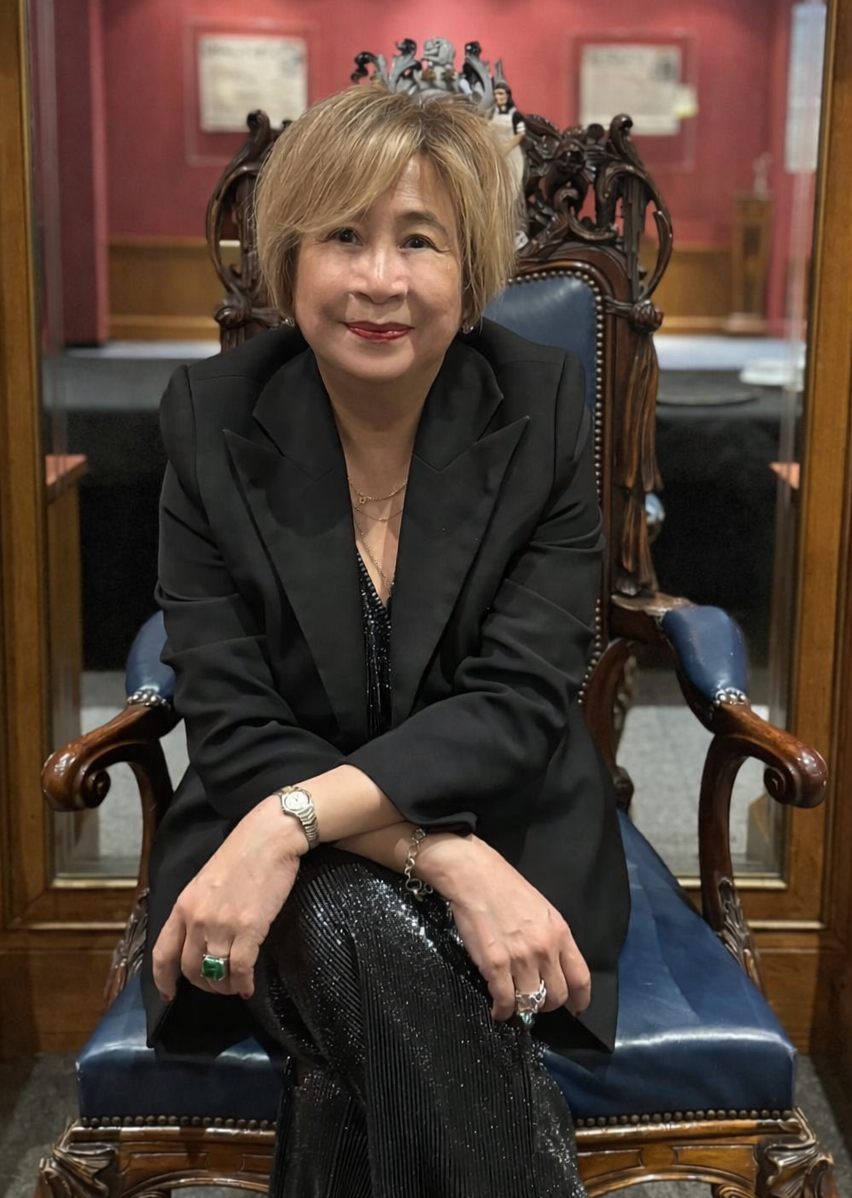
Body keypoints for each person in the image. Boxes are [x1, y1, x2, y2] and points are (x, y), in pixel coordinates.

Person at [144, 83, 629, 1197]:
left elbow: (518, 700)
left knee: (344, 986)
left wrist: (291, 823)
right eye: (344, 236)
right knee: (355, 912)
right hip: (303, 849)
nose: (379, 280)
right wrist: (437, 858)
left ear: (471, 278)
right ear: (289, 259)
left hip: (499, 824)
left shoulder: (545, 414)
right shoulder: (208, 425)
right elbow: (231, 716)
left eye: (420, 239)